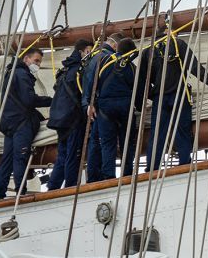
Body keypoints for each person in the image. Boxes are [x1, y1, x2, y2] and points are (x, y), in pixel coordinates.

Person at [140, 26, 208, 170]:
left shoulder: (147, 52)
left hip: (159, 99)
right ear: (170, 34)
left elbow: (142, 80)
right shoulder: (178, 45)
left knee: (157, 134)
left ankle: (152, 168)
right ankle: (185, 163)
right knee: (182, 132)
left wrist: (150, 94)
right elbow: (195, 67)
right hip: (179, 94)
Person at [0, 48, 50, 199]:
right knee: (20, 157)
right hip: (21, 123)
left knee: (7, 160)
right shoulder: (22, 74)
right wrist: (51, 101)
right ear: (26, 59)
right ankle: (20, 193)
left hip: (9, 124)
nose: (38, 64)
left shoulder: (10, 73)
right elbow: (29, 99)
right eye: (36, 60)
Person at [88, 38, 144, 180]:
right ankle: (127, 174)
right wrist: (140, 106)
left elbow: (92, 83)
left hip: (105, 109)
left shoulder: (104, 61)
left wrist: (90, 103)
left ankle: (109, 176)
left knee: (107, 144)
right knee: (127, 143)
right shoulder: (131, 67)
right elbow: (138, 90)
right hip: (125, 108)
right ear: (131, 52)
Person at [46, 39, 93, 189]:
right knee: (74, 155)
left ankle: (53, 187)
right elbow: (84, 94)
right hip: (73, 119)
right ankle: (70, 188)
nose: (90, 55)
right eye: (88, 52)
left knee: (63, 155)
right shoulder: (80, 70)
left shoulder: (63, 71)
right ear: (82, 52)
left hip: (60, 119)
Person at [82, 33, 121, 182]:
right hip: (99, 106)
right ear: (115, 45)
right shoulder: (106, 57)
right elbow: (93, 83)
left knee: (96, 142)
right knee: (102, 142)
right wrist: (90, 104)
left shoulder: (95, 56)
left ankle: (93, 176)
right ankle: (102, 176)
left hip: (94, 105)